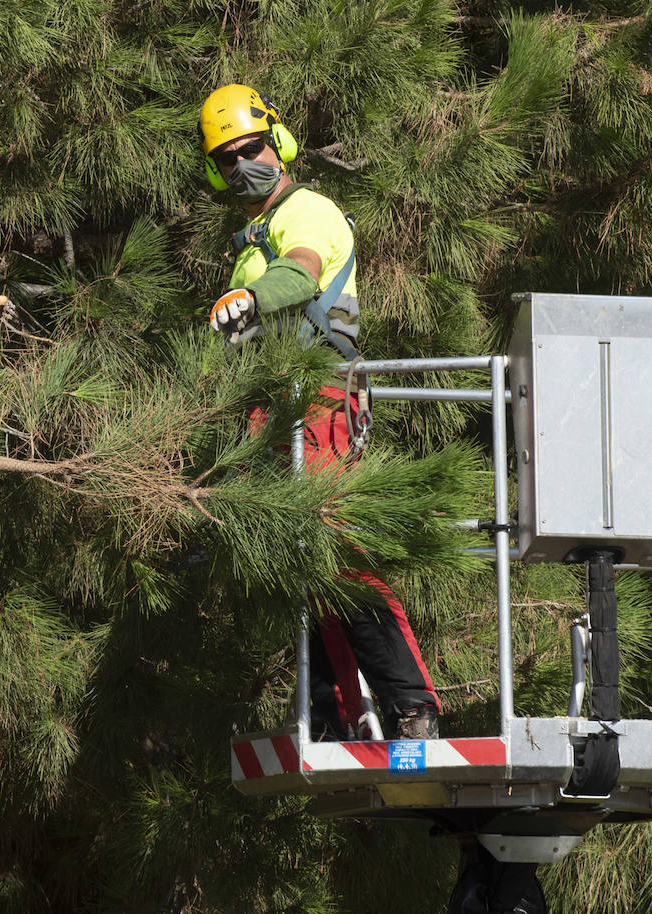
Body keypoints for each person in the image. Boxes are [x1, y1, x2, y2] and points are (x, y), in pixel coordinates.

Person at [198, 83, 441, 741]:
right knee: (300, 562)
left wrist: (251, 297)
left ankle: (412, 704)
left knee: (337, 550)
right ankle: (336, 713)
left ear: (279, 145)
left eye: (251, 149)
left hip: (320, 402)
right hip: (272, 411)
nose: (243, 165)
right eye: (228, 159)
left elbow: (300, 274)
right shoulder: (247, 239)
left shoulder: (306, 211)